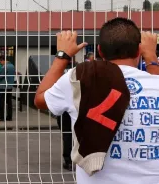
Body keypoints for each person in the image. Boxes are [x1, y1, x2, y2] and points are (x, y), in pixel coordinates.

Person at [34, 18, 159, 184]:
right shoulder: (155, 83)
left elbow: (40, 99)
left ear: (100, 51)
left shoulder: (79, 78)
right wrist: (151, 56)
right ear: (138, 51)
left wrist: (62, 56)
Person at [0, 55, 15, 121]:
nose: (1, 63)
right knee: (9, 102)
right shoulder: (12, 66)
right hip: (10, 86)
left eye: (1, 62)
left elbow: (0, 76)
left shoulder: (4, 67)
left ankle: (2, 117)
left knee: (1, 102)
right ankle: (9, 117)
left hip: (3, 86)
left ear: (2, 60)